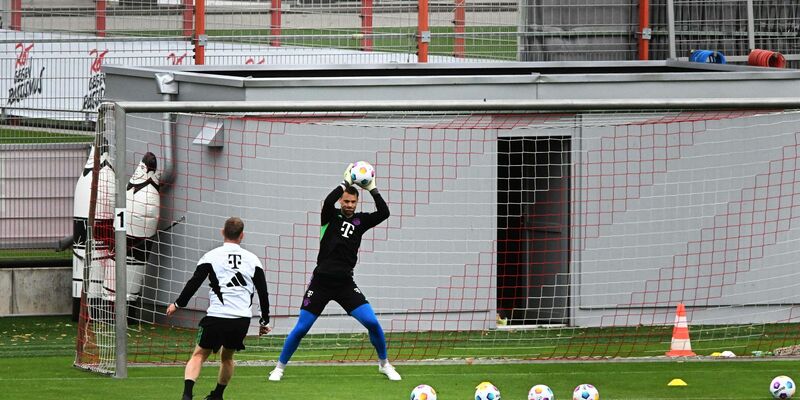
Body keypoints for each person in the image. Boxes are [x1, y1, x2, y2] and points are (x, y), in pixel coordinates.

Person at [268, 163, 401, 381]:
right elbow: (328, 201)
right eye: (346, 201)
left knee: (372, 323)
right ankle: (279, 368)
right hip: (320, 283)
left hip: (345, 284)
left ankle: (384, 364)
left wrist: (372, 188)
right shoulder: (330, 216)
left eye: (353, 202)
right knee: (302, 328)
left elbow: (384, 212)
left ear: (357, 202)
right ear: (342, 201)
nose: (349, 205)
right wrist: (346, 182)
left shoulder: (361, 221)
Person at [167, 217, 272, 400]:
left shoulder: (211, 256)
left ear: (222, 232)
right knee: (227, 357)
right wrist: (264, 321)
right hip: (240, 320)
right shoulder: (253, 260)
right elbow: (263, 292)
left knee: (199, 354)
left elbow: (194, 283)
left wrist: (178, 304)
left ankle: (187, 395)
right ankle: (217, 395)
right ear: (242, 235)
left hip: (216, 317)